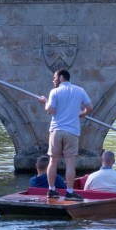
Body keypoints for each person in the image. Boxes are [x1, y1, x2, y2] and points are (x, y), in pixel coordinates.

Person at [36, 69, 93, 201]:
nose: (53, 80)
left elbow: (50, 110)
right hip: (72, 131)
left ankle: (51, 190)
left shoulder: (54, 92)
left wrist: (44, 101)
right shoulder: (80, 90)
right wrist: (82, 114)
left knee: (53, 161)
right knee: (70, 162)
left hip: (56, 131)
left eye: (54, 77)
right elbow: (90, 108)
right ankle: (70, 191)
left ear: (61, 77)